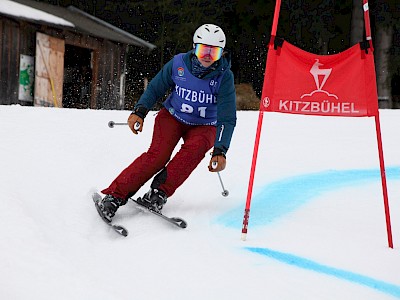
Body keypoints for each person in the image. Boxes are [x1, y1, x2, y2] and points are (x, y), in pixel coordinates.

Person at [98, 24, 237, 221]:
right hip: (172, 117)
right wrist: (140, 111)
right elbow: (155, 87)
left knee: (193, 152)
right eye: (202, 50)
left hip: (205, 125)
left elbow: (227, 116)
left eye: (213, 53)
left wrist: (220, 150)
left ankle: (158, 193)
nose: (207, 56)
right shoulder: (179, 64)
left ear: (222, 54)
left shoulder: (224, 77)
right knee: (157, 156)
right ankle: (114, 196)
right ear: (194, 47)